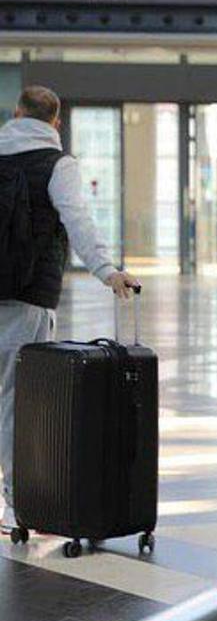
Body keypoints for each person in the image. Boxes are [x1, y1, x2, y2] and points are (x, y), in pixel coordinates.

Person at [0, 85, 140, 530]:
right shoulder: (58, 164)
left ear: (17, 112)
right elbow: (77, 218)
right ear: (55, 123)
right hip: (27, 297)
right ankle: (14, 502)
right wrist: (107, 270)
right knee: (15, 401)